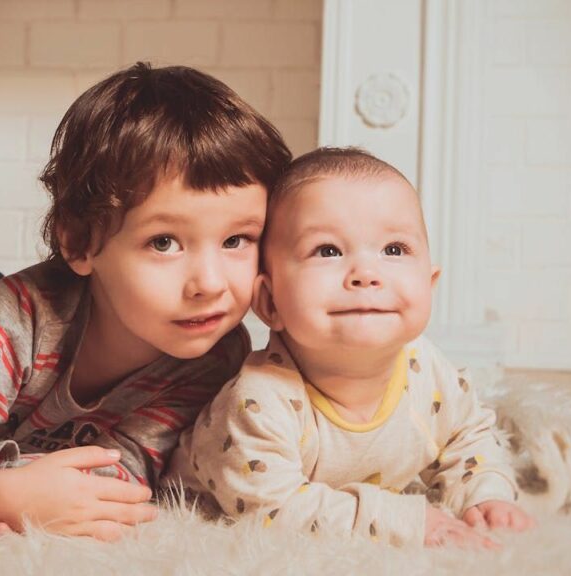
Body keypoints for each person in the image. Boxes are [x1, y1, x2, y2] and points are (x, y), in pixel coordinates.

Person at [0, 62, 291, 541]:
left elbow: (129, 467)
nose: (209, 284)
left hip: (12, 341)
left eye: (237, 240)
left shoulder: (212, 352)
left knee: (26, 313)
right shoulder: (14, 320)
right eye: (164, 242)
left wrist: (46, 489)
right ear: (80, 243)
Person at [163, 147, 534, 549]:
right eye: (328, 251)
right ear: (270, 302)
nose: (366, 274)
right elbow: (271, 510)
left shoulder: (426, 367)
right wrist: (404, 520)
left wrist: (485, 492)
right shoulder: (257, 401)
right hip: (202, 500)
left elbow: (468, 436)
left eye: (394, 250)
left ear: (429, 284)